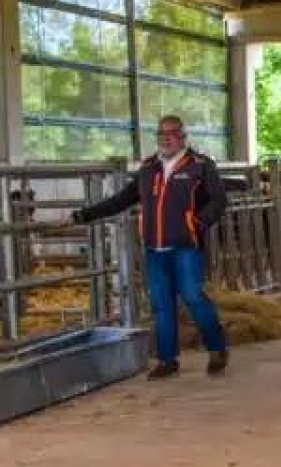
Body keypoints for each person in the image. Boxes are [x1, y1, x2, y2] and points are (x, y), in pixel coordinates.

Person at [72, 114, 229, 379]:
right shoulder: (148, 168)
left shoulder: (200, 166)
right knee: (161, 304)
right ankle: (167, 360)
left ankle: (217, 348)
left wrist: (196, 224)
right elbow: (123, 199)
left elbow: (218, 201)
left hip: (186, 246)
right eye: (161, 134)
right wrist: (85, 215)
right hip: (155, 248)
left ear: (182, 137)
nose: (165, 138)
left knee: (193, 297)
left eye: (171, 133)